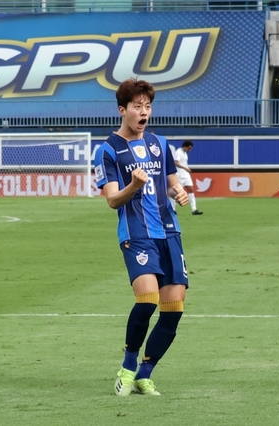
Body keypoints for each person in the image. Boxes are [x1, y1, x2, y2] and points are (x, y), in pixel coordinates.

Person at [94, 78, 189, 397]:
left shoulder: (161, 144)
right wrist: (134, 185)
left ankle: (145, 374)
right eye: (137, 106)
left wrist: (179, 192)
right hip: (136, 234)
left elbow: (172, 182)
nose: (144, 111)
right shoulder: (108, 150)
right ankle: (127, 365)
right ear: (123, 110)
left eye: (147, 106)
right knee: (147, 300)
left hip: (170, 232)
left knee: (174, 308)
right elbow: (111, 200)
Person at [173, 140, 203, 215]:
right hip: (179, 175)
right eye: (189, 148)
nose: (190, 150)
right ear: (185, 146)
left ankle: (194, 209)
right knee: (176, 192)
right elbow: (176, 162)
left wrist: (186, 168)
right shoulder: (178, 152)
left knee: (191, 190)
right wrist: (185, 168)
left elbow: (184, 163)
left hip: (186, 175)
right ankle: (172, 209)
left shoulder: (185, 153)